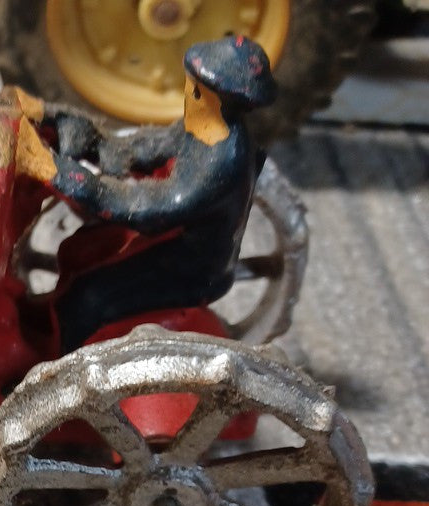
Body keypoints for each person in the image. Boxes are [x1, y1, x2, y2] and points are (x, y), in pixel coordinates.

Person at [48, 36, 277, 350]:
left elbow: (154, 207)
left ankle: (59, 364)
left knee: (87, 299)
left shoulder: (223, 159)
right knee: (81, 251)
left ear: (208, 94)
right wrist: (96, 143)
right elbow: (149, 147)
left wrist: (67, 177)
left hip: (191, 268)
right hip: (177, 243)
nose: (187, 91)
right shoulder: (203, 124)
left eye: (193, 86)